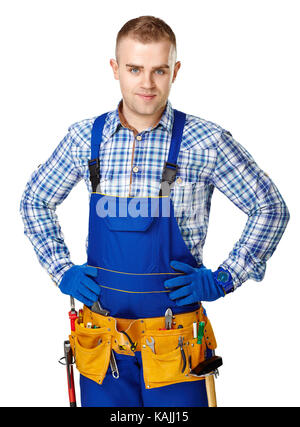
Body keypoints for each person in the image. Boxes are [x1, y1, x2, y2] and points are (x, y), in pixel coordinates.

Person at [20, 15, 290, 407]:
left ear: (174, 71)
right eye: (134, 69)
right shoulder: (84, 139)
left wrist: (227, 277)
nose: (146, 83)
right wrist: (60, 269)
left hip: (175, 347)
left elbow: (271, 208)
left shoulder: (207, 142)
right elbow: (34, 200)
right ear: (115, 69)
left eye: (159, 70)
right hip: (102, 345)